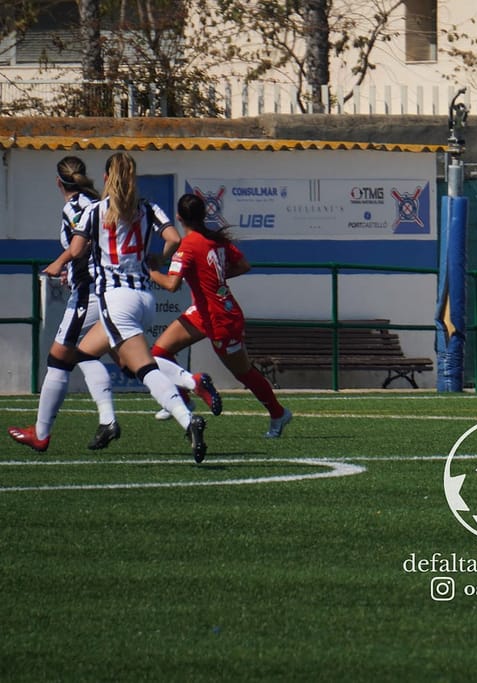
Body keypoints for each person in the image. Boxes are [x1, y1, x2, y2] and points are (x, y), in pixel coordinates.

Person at [23, 152, 219, 463]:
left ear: (105, 179)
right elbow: (172, 239)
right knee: (85, 353)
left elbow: (76, 250)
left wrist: (54, 266)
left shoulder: (96, 211)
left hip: (116, 298)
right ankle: (109, 420)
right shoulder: (147, 207)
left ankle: (185, 417)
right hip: (144, 296)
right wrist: (157, 259)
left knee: (144, 368)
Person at [147, 193, 292, 438]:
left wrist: (149, 270)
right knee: (159, 352)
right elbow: (244, 265)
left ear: (179, 218)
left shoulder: (188, 245)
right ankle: (184, 400)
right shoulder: (215, 240)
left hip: (221, 318)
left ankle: (279, 414)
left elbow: (172, 285)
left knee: (243, 372)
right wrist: (215, 280)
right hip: (204, 312)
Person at [6, 157, 120, 452]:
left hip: (90, 290)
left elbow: (80, 247)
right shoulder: (97, 200)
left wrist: (65, 265)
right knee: (99, 356)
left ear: (59, 182)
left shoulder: (75, 207)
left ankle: (41, 434)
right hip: (107, 286)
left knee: (59, 358)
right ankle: (110, 418)